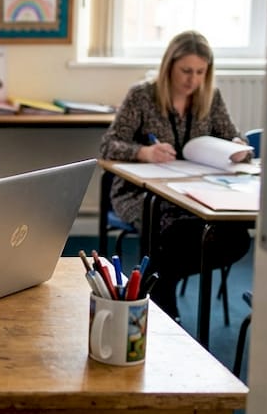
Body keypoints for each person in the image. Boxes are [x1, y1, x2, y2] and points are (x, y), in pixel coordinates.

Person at [98, 30, 252, 320]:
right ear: (169, 65)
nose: (192, 80)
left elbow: (234, 137)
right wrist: (144, 153)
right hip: (141, 194)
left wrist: (237, 148)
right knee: (172, 231)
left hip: (197, 192)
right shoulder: (142, 95)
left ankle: (161, 284)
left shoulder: (210, 98)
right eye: (185, 71)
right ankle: (164, 301)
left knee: (236, 237)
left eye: (200, 72)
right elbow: (108, 145)